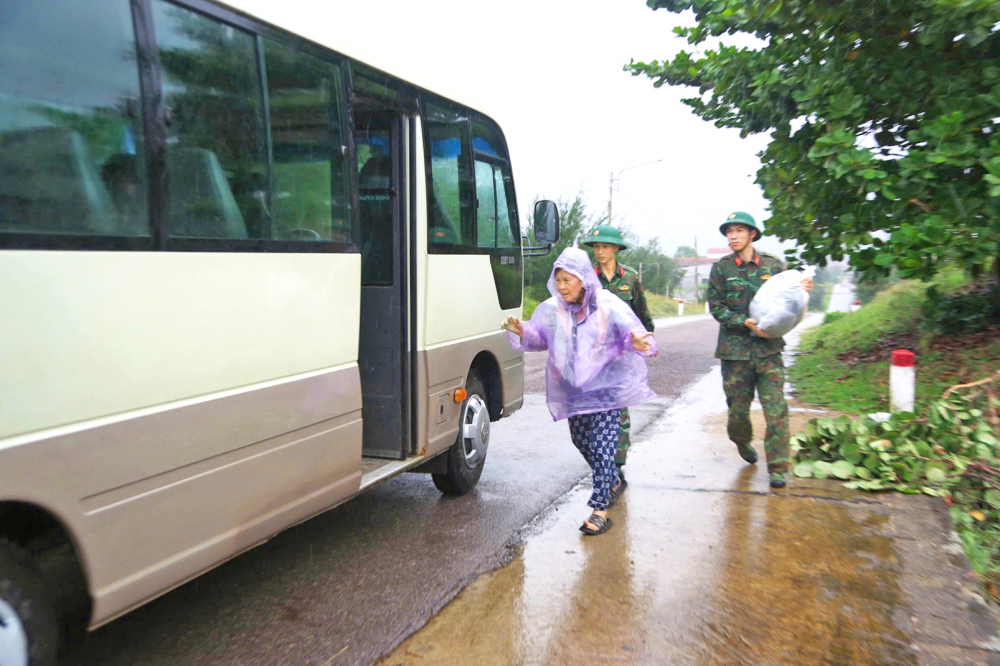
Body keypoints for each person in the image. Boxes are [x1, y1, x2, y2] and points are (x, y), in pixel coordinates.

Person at [504, 246, 658, 535]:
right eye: (558, 279)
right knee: (582, 442)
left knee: (602, 449)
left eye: (568, 280)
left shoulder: (607, 303)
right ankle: (611, 479)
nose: (562, 287)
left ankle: (600, 510)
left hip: (606, 392)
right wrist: (523, 330)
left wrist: (640, 342)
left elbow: (632, 330)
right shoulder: (552, 309)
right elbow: (541, 338)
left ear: (584, 279)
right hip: (573, 393)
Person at [707, 212, 813, 488]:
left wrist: (805, 290)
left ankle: (778, 468)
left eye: (738, 230)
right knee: (738, 414)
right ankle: (742, 442)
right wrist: (742, 321)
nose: (732, 236)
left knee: (776, 410)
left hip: (768, 350)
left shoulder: (773, 264)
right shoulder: (721, 268)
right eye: (729, 232)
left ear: (752, 234)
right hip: (735, 353)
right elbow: (716, 307)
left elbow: (791, 300)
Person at [582, 225, 654, 480]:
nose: (599, 251)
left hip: (622, 356)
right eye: (596, 247)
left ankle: (616, 465)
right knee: (594, 412)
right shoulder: (587, 278)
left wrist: (647, 340)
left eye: (604, 246)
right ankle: (601, 462)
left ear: (616, 248)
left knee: (620, 410)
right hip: (594, 356)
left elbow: (642, 315)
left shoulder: (631, 278)